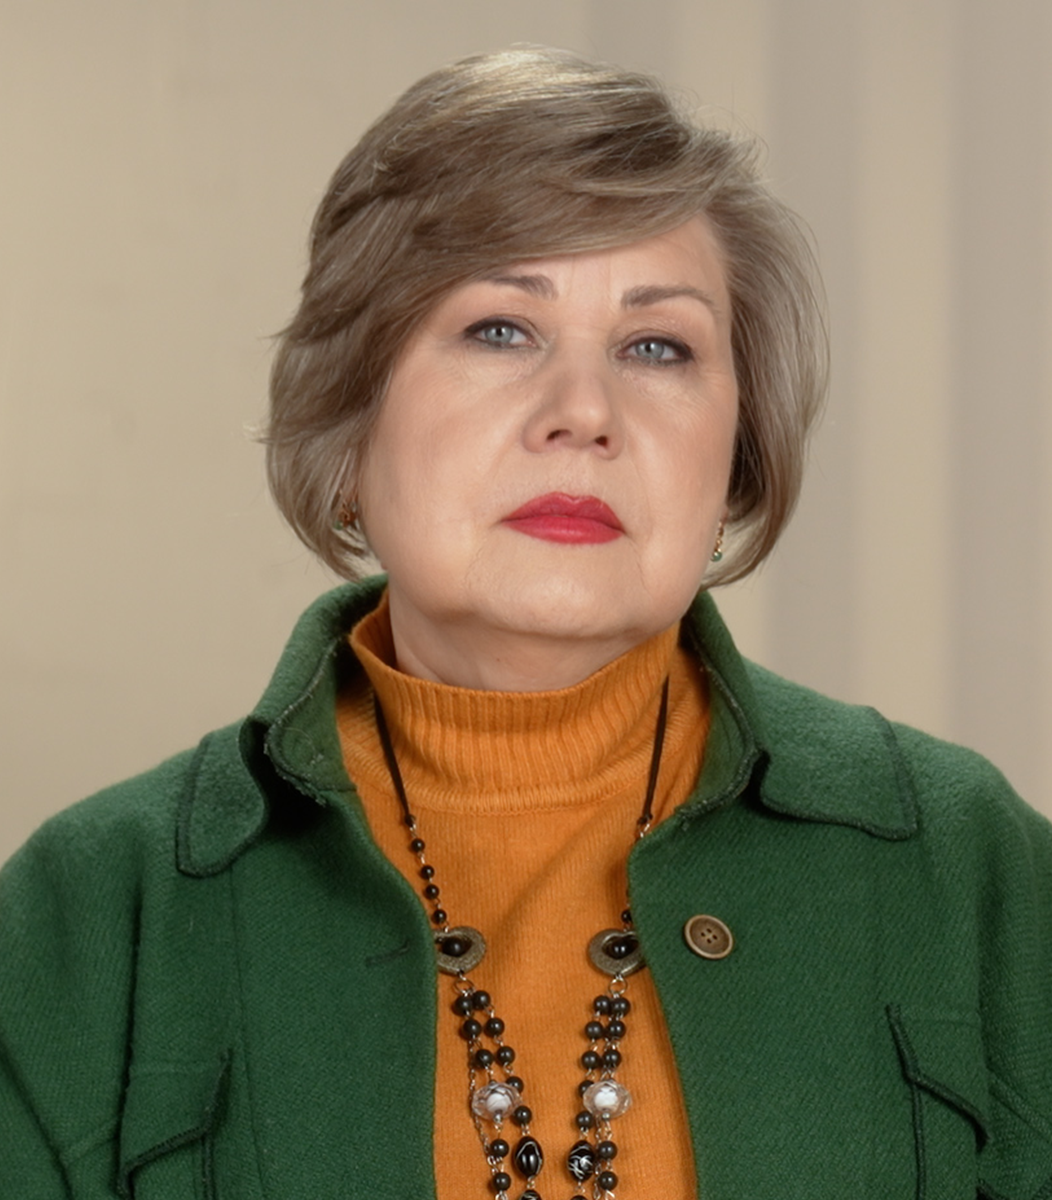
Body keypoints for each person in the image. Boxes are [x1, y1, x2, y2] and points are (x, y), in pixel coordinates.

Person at [2, 46, 1050, 1200]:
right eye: (500, 329)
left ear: (734, 461)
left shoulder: (966, 864)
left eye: (657, 347)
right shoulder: (90, 911)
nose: (583, 412)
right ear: (347, 424)